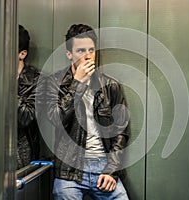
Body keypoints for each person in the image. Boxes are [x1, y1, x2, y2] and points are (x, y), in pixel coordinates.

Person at [45, 24, 130, 199]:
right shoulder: (54, 82)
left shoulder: (110, 85)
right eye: (80, 50)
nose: (87, 56)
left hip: (103, 167)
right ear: (69, 54)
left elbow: (121, 131)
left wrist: (111, 171)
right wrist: (77, 84)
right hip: (70, 170)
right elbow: (56, 119)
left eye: (91, 50)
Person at [16, 24, 40, 169]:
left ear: (22, 54)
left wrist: (6, 84)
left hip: (20, 151)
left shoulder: (37, 80)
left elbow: (25, 118)